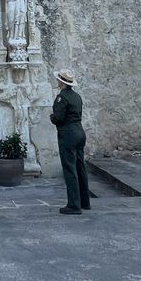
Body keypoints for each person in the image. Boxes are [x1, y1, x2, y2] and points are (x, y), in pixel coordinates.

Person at [50, 69, 90, 215]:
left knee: (70, 169)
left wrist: (52, 117)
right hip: (80, 132)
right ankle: (85, 201)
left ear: (61, 82)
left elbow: (58, 118)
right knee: (81, 167)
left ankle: (74, 204)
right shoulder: (77, 96)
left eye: (58, 79)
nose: (57, 81)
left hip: (68, 134)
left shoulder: (62, 97)